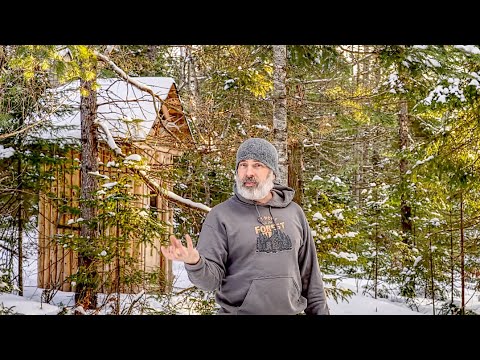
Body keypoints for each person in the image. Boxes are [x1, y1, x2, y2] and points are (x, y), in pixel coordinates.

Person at [161, 137, 330, 315]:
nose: (248, 172)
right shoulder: (221, 216)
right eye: (243, 165)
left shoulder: (293, 213)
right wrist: (195, 262)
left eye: (257, 165)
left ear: (272, 172)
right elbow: (209, 282)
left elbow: (311, 279)